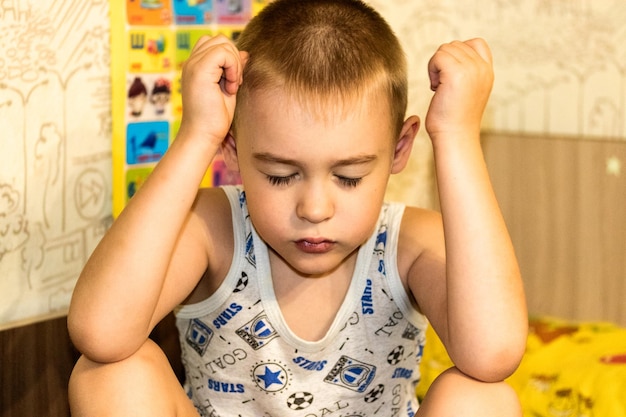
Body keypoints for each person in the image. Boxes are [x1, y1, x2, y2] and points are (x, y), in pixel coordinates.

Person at [68, 0, 528, 416]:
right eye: (280, 175)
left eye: (349, 177)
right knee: (107, 375)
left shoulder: (409, 242)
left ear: (399, 149)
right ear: (232, 147)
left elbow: (492, 354)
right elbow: (101, 332)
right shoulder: (212, 228)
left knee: (483, 398)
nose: (314, 208)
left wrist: (457, 135)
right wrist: (197, 134)